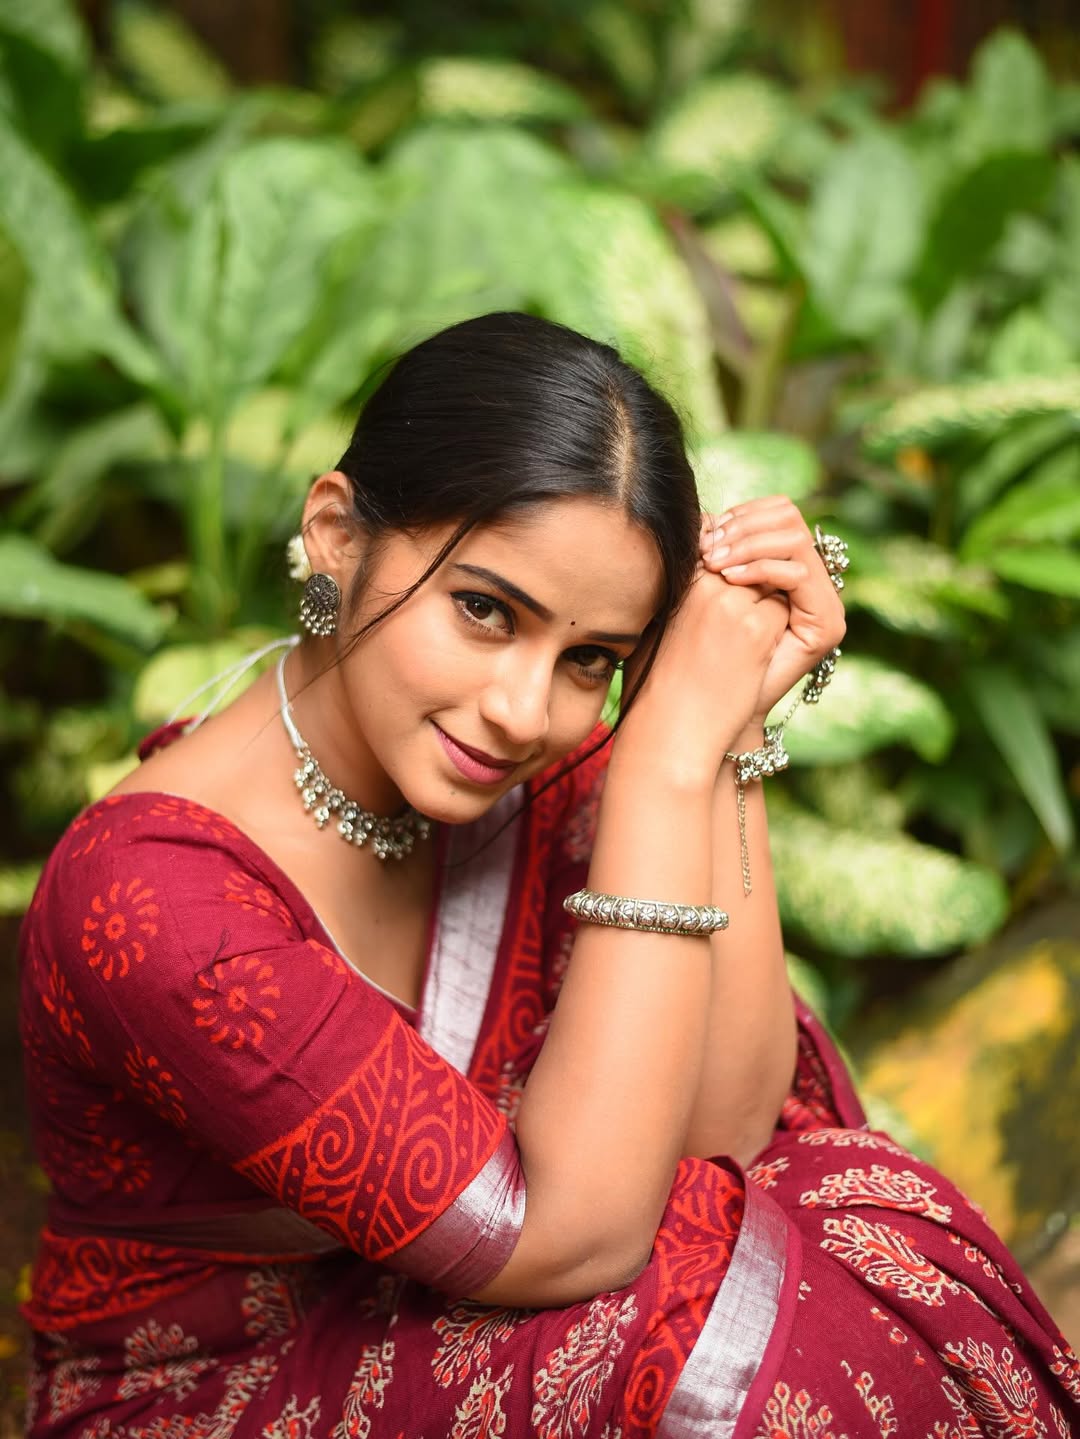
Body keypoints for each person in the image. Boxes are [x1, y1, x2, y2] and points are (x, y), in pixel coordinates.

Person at [18, 312, 1078, 1439]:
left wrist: (717, 730)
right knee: (687, 1311)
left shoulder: (525, 767)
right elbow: (568, 1236)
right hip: (211, 1387)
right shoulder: (152, 902)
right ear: (335, 532)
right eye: (484, 609)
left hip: (459, 1309)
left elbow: (739, 1127)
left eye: (594, 662)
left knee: (826, 1208)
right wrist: (661, 758)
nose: (526, 709)